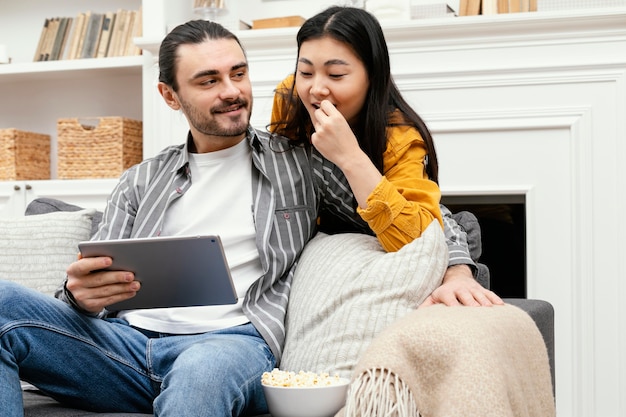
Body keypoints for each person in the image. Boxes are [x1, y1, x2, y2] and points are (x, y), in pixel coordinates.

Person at [0, 20, 378, 416]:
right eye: (208, 81)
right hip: (122, 348)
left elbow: (415, 219)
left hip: (231, 345)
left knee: (201, 370)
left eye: (239, 74)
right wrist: (81, 296)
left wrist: (454, 267)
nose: (232, 91)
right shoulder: (141, 180)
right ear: (170, 95)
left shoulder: (301, 163)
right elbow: (85, 294)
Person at [270, 6, 503, 308]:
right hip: (325, 230)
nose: (316, 88)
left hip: (391, 230)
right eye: (305, 72)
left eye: (336, 74)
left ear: (372, 76)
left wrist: (351, 157)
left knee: (447, 225)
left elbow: (418, 242)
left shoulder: (400, 135)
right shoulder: (290, 99)